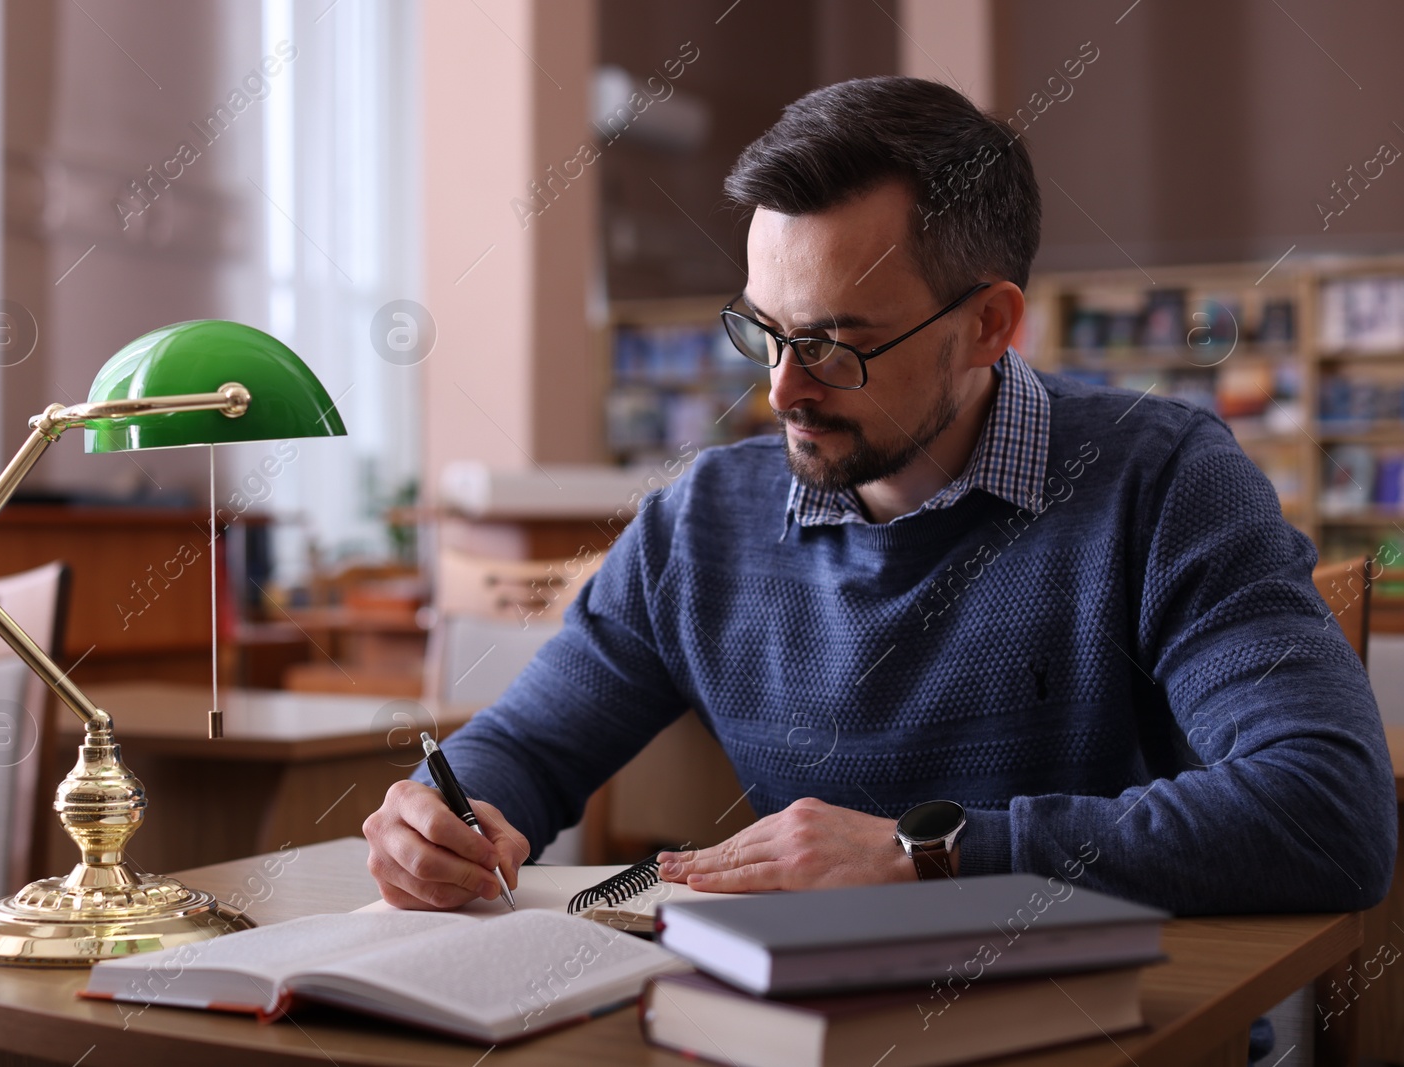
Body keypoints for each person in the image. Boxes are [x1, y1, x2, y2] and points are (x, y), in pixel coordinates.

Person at [362, 76, 1396, 916]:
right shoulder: (703, 519)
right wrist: (452, 813)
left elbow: (1326, 813)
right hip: (797, 1023)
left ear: (990, 325)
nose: (779, 388)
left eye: (835, 346)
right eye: (763, 330)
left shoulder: (1164, 480)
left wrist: (927, 852)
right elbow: (532, 743)